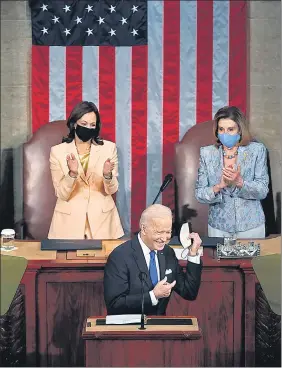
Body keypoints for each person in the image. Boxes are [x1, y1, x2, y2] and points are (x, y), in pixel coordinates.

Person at [104, 204, 202, 316]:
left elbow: (189, 292)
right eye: (159, 232)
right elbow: (114, 305)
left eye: (168, 232)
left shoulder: (167, 253)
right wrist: (153, 296)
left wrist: (193, 254)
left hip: (159, 328)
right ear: (144, 229)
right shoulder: (120, 256)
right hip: (129, 329)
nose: (164, 239)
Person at [48, 101, 124, 239]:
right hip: (68, 226)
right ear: (74, 124)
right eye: (84, 124)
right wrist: (72, 174)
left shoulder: (109, 149)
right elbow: (62, 194)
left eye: (92, 125)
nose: (88, 128)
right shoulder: (57, 152)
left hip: (103, 223)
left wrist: (107, 175)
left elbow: (111, 190)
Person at [195, 106, 269, 238]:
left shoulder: (257, 150)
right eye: (221, 129)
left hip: (251, 226)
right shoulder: (207, 153)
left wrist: (240, 183)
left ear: (239, 130)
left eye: (230, 129)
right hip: (218, 227)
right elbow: (200, 194)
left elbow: (262, 190)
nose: (225, 134)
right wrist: (218, 187)